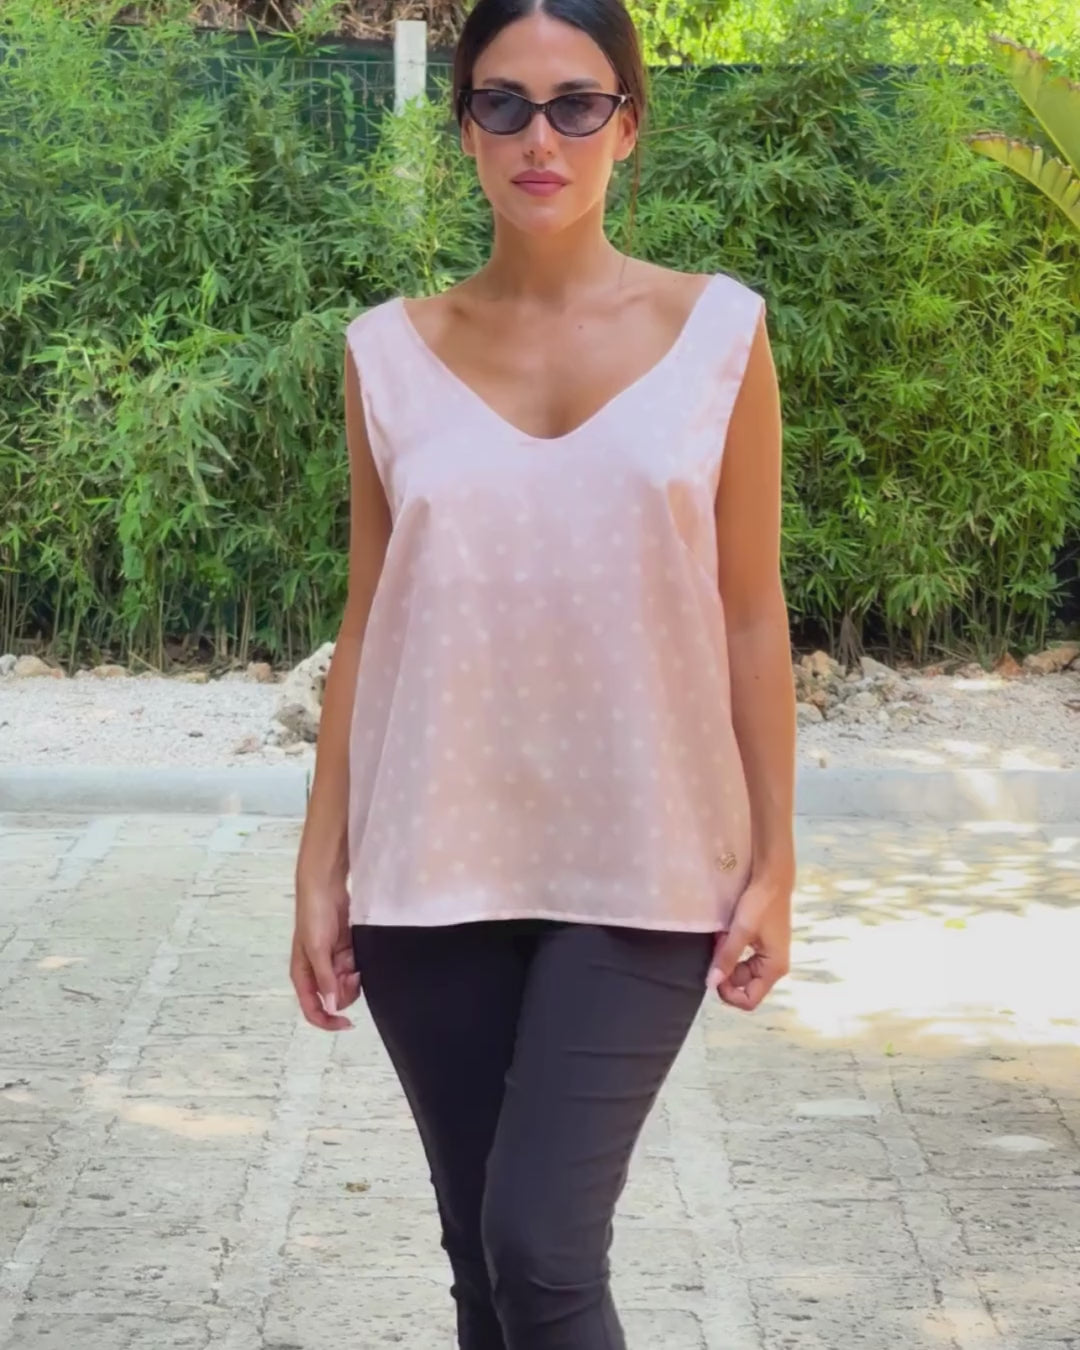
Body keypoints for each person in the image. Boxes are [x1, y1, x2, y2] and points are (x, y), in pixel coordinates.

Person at [290, 0, 795, 1345]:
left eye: (577, 104)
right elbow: (370, 617)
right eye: (503, 103)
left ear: (628, 126)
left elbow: (753, 613)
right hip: (429, 865)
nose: (540, 138)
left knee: (541, 1245)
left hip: (647, 859)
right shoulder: (386, 353)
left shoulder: (722, 336)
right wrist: (321, 862)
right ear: (465, 129)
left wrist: (778, 859)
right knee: (481, 1257)